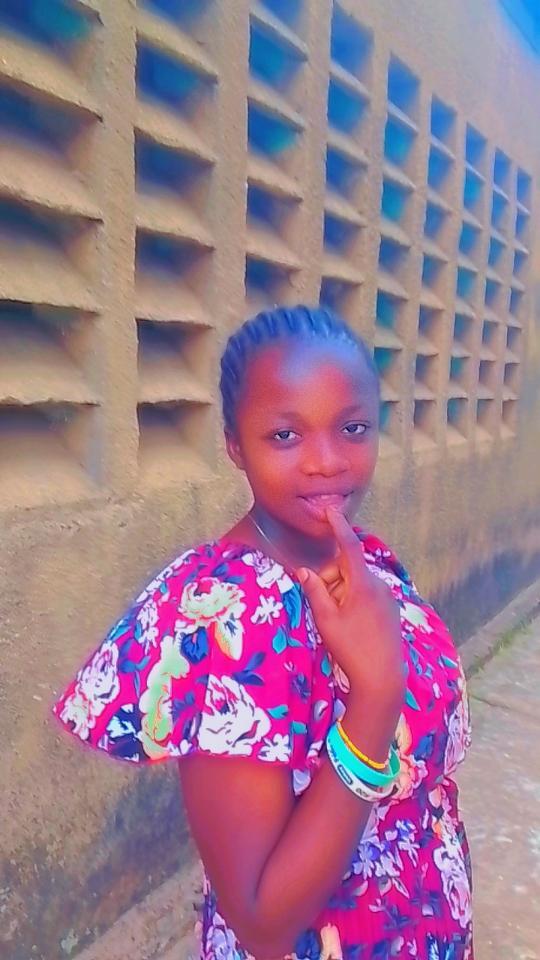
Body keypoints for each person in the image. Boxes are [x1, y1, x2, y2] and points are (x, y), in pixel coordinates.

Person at [52, 305, 473, 960]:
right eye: (285, 435)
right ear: (235, 445)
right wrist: (373, 699)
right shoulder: (227, 618)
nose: (327, 461)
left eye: (353, 428)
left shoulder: (368, 562)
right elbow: (262, 921)